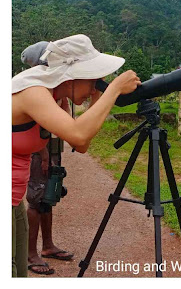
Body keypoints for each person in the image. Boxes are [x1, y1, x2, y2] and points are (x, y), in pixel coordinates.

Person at [12, 34, 140, 277]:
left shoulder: (55, 96)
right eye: (94, 80)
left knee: (17, 273)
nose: (97, 85)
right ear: (70, 75)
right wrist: (113, 90)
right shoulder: (33, 92)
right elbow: (80, 136)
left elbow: (80, 144)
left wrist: (98, 96)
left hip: (14, 195)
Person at [19, 42, 74, 275]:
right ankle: (31, 254)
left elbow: (66, 120)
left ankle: (48, 246)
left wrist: (62, 97)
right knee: (36, 198)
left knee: (48, 196)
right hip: (39, 151)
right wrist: (42, 155)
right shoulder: (33, 88)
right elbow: (35, 127)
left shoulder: (51, 87)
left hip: (52, 148)